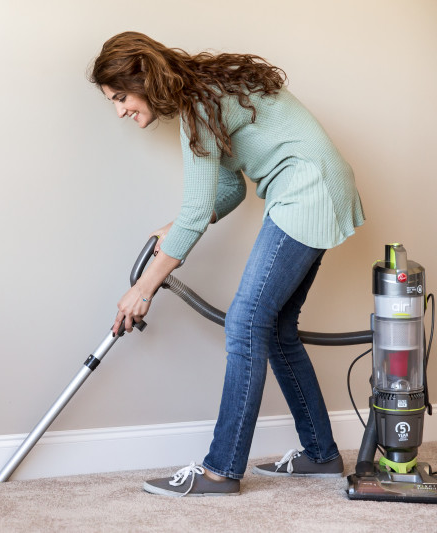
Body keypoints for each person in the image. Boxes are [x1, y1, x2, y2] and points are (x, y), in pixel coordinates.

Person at [89, 32, 365, 497]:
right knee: (275, 328)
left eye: (121, 97)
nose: (120, 110)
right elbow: (230, 191)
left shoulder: (199, 104)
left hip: (305, 192)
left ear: (143, 78)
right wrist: (174, 228)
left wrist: (144, 290)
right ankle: (321, 455)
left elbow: (200, 210)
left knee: (244, 324)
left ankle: (221, 470)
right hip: (319, 186)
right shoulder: (208, 91)